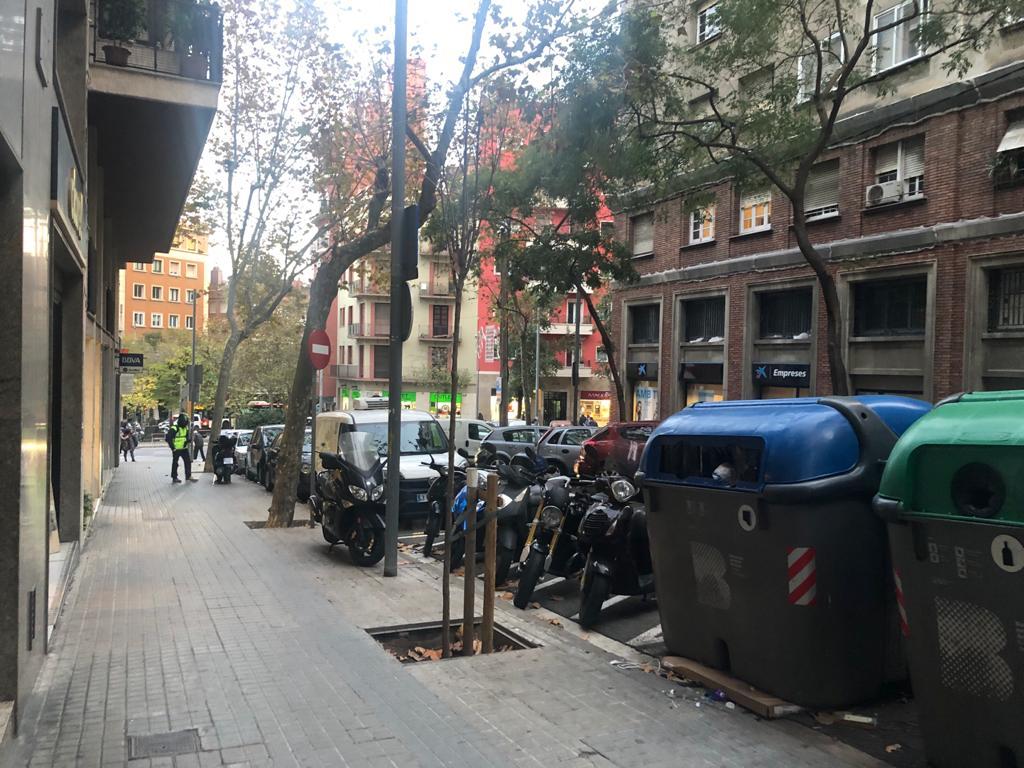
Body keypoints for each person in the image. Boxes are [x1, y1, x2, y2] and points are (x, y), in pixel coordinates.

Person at [166, 415, 197, 483]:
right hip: (176, 449)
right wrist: (173, 448)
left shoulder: (185, 428)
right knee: (175, 463)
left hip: (184, 448)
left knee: (188, 462)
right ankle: (174, 477)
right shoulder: (174, 428)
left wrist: (188, 440)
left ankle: (188, 476)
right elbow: (168, 438)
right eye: (186, 422)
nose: (186, 424)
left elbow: (185, 437)